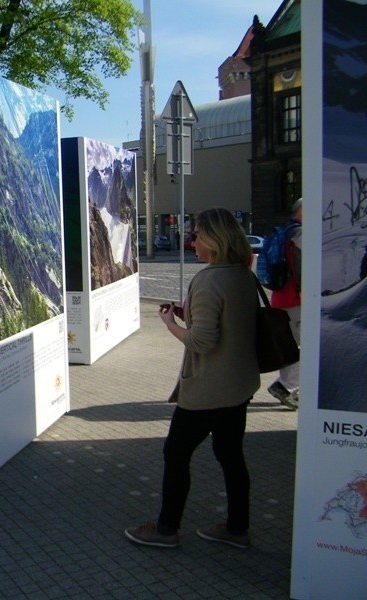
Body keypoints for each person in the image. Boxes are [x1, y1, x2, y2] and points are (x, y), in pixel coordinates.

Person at [125, 208, 259, 549]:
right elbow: (226, 323)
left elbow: (201, 341)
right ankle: (237, 528)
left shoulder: (208, 279)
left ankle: (166, 529)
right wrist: (192, 314)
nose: (191, 240)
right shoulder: (243, 274)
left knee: (176, 453)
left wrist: (171, 324)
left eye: (197, 234)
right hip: (239, 385)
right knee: (231, 456)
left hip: (207, 389)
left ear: (214, 240)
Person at [267, 198, 302, 410]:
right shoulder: (299, 235)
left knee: (294, 344)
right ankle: (285, 386)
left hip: (283, 297)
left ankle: (292, 388)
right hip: (295, 299)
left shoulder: (287, 232)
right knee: (302, 346)